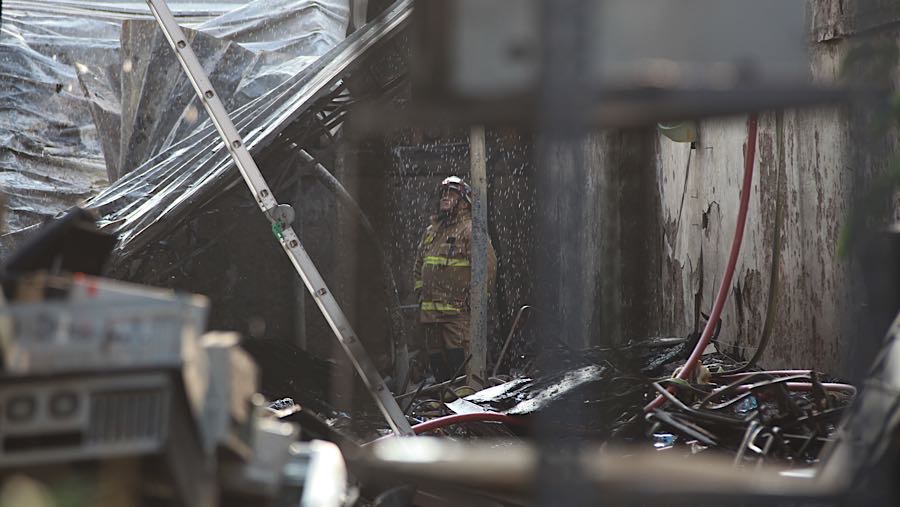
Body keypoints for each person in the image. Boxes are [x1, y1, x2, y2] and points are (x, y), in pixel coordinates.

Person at [413, 176, 497, 387]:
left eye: (451, 193)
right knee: (436, 358)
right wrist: (421, 295)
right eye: (443, 193)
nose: (445, 197)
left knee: (459, 357)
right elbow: (418, 266)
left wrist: (476, 302)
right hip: (430, 312)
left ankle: (463, 398)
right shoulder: (432, 231)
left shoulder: (470, 230)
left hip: (457, 312)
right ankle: (444, 397)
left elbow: (487, 268)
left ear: (464, 201)